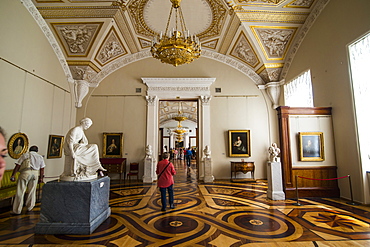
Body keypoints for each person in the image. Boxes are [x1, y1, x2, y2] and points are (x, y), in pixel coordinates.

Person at [10, 145, 45, 215]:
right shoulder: (40, 157)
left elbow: (18, 165)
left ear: (29, 149)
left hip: (25, 173)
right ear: (37, 151)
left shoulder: (25, 155)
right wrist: (41, 178)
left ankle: (17, 210)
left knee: (20, 191)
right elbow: (42, 168)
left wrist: (13, 175)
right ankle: (30, 207)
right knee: (32, 191)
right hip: (35, 174)